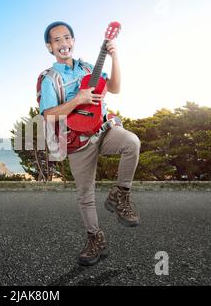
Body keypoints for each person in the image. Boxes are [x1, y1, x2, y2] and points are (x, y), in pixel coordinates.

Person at [39, 21, 141, 266]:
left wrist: (115, 56)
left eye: (67, 38)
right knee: (86, 196)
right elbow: (48, 114)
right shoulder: (49, 79)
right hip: (77, 140)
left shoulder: (87, 68)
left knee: (132, 142)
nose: (63, 44)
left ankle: (120, 195)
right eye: (57, 40)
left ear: (73, 41)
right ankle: (96, 238)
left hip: (103, 131)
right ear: (49, 47)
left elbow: (114, 88)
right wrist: (79, 99)